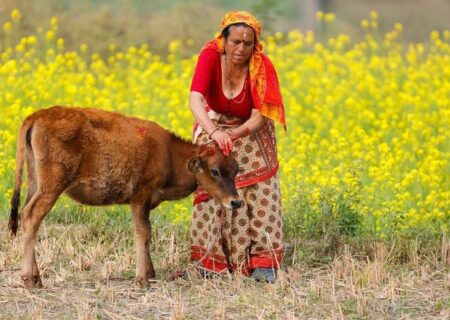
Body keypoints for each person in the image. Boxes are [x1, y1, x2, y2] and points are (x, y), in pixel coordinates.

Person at [189, 11, 286, 283]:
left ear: (255, 45)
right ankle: (211, 260)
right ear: (223, 40)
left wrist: (235, 134)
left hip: (250, 127)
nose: (241, 49)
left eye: (248, 43)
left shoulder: (261, 66)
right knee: (210, 179)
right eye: (235, 42)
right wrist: (215, 132)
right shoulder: (209, 56)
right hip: (215, 122)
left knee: (260, 187)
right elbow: (195, 100)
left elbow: (258, 117)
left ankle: (263, 263)